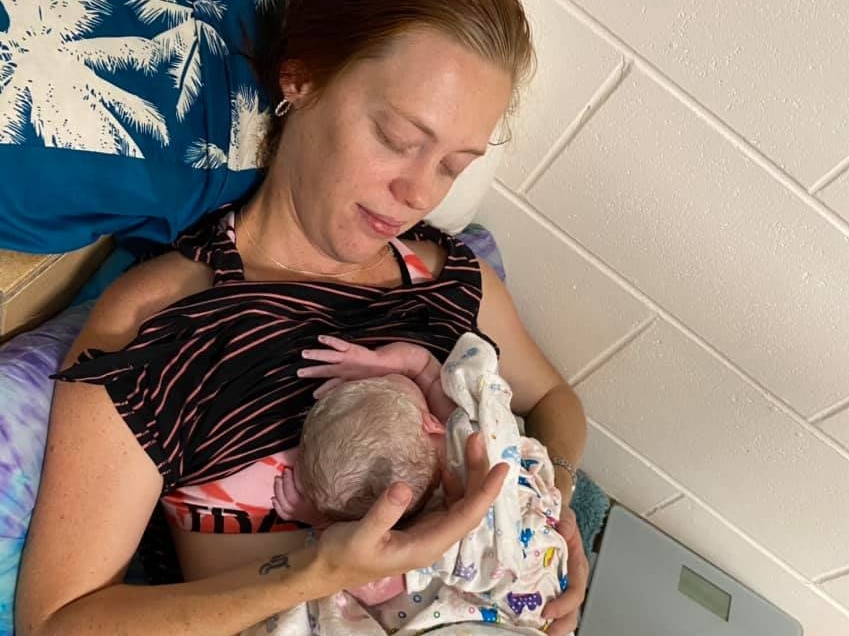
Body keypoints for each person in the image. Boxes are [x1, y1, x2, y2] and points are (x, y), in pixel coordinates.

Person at [15, 1, 589, 635]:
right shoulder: (165, 325)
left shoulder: (451, 279)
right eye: (398, 139)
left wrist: (550, 507)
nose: (421, 194)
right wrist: (315, 571)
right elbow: (59, 622)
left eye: (454, 165)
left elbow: (556, 398)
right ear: (303, 78)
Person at [267, 333, 570, 635]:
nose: (396, 376)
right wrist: (379, 361)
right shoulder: (465, 430)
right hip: (536, 584)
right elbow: (422, 365)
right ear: (431, 423)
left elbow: (357, 574)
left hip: (525, 594)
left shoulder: (406, 541)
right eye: (394, 380)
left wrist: (317, 521)